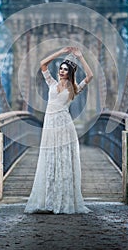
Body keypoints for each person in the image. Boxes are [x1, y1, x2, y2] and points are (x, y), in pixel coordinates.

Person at [24, 46, 93, 214]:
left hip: (65, 125)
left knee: (63, 158)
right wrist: (61, 53)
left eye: (65, 70)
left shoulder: (74, 88)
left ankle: (63, 200)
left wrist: (81, 57)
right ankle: (49, 200)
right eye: (61, 69)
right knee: (50, 158)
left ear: (70, 73)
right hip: (50, 125)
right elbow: (43, 64)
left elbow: (90, 76)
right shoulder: (51, 83)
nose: (62, 71)